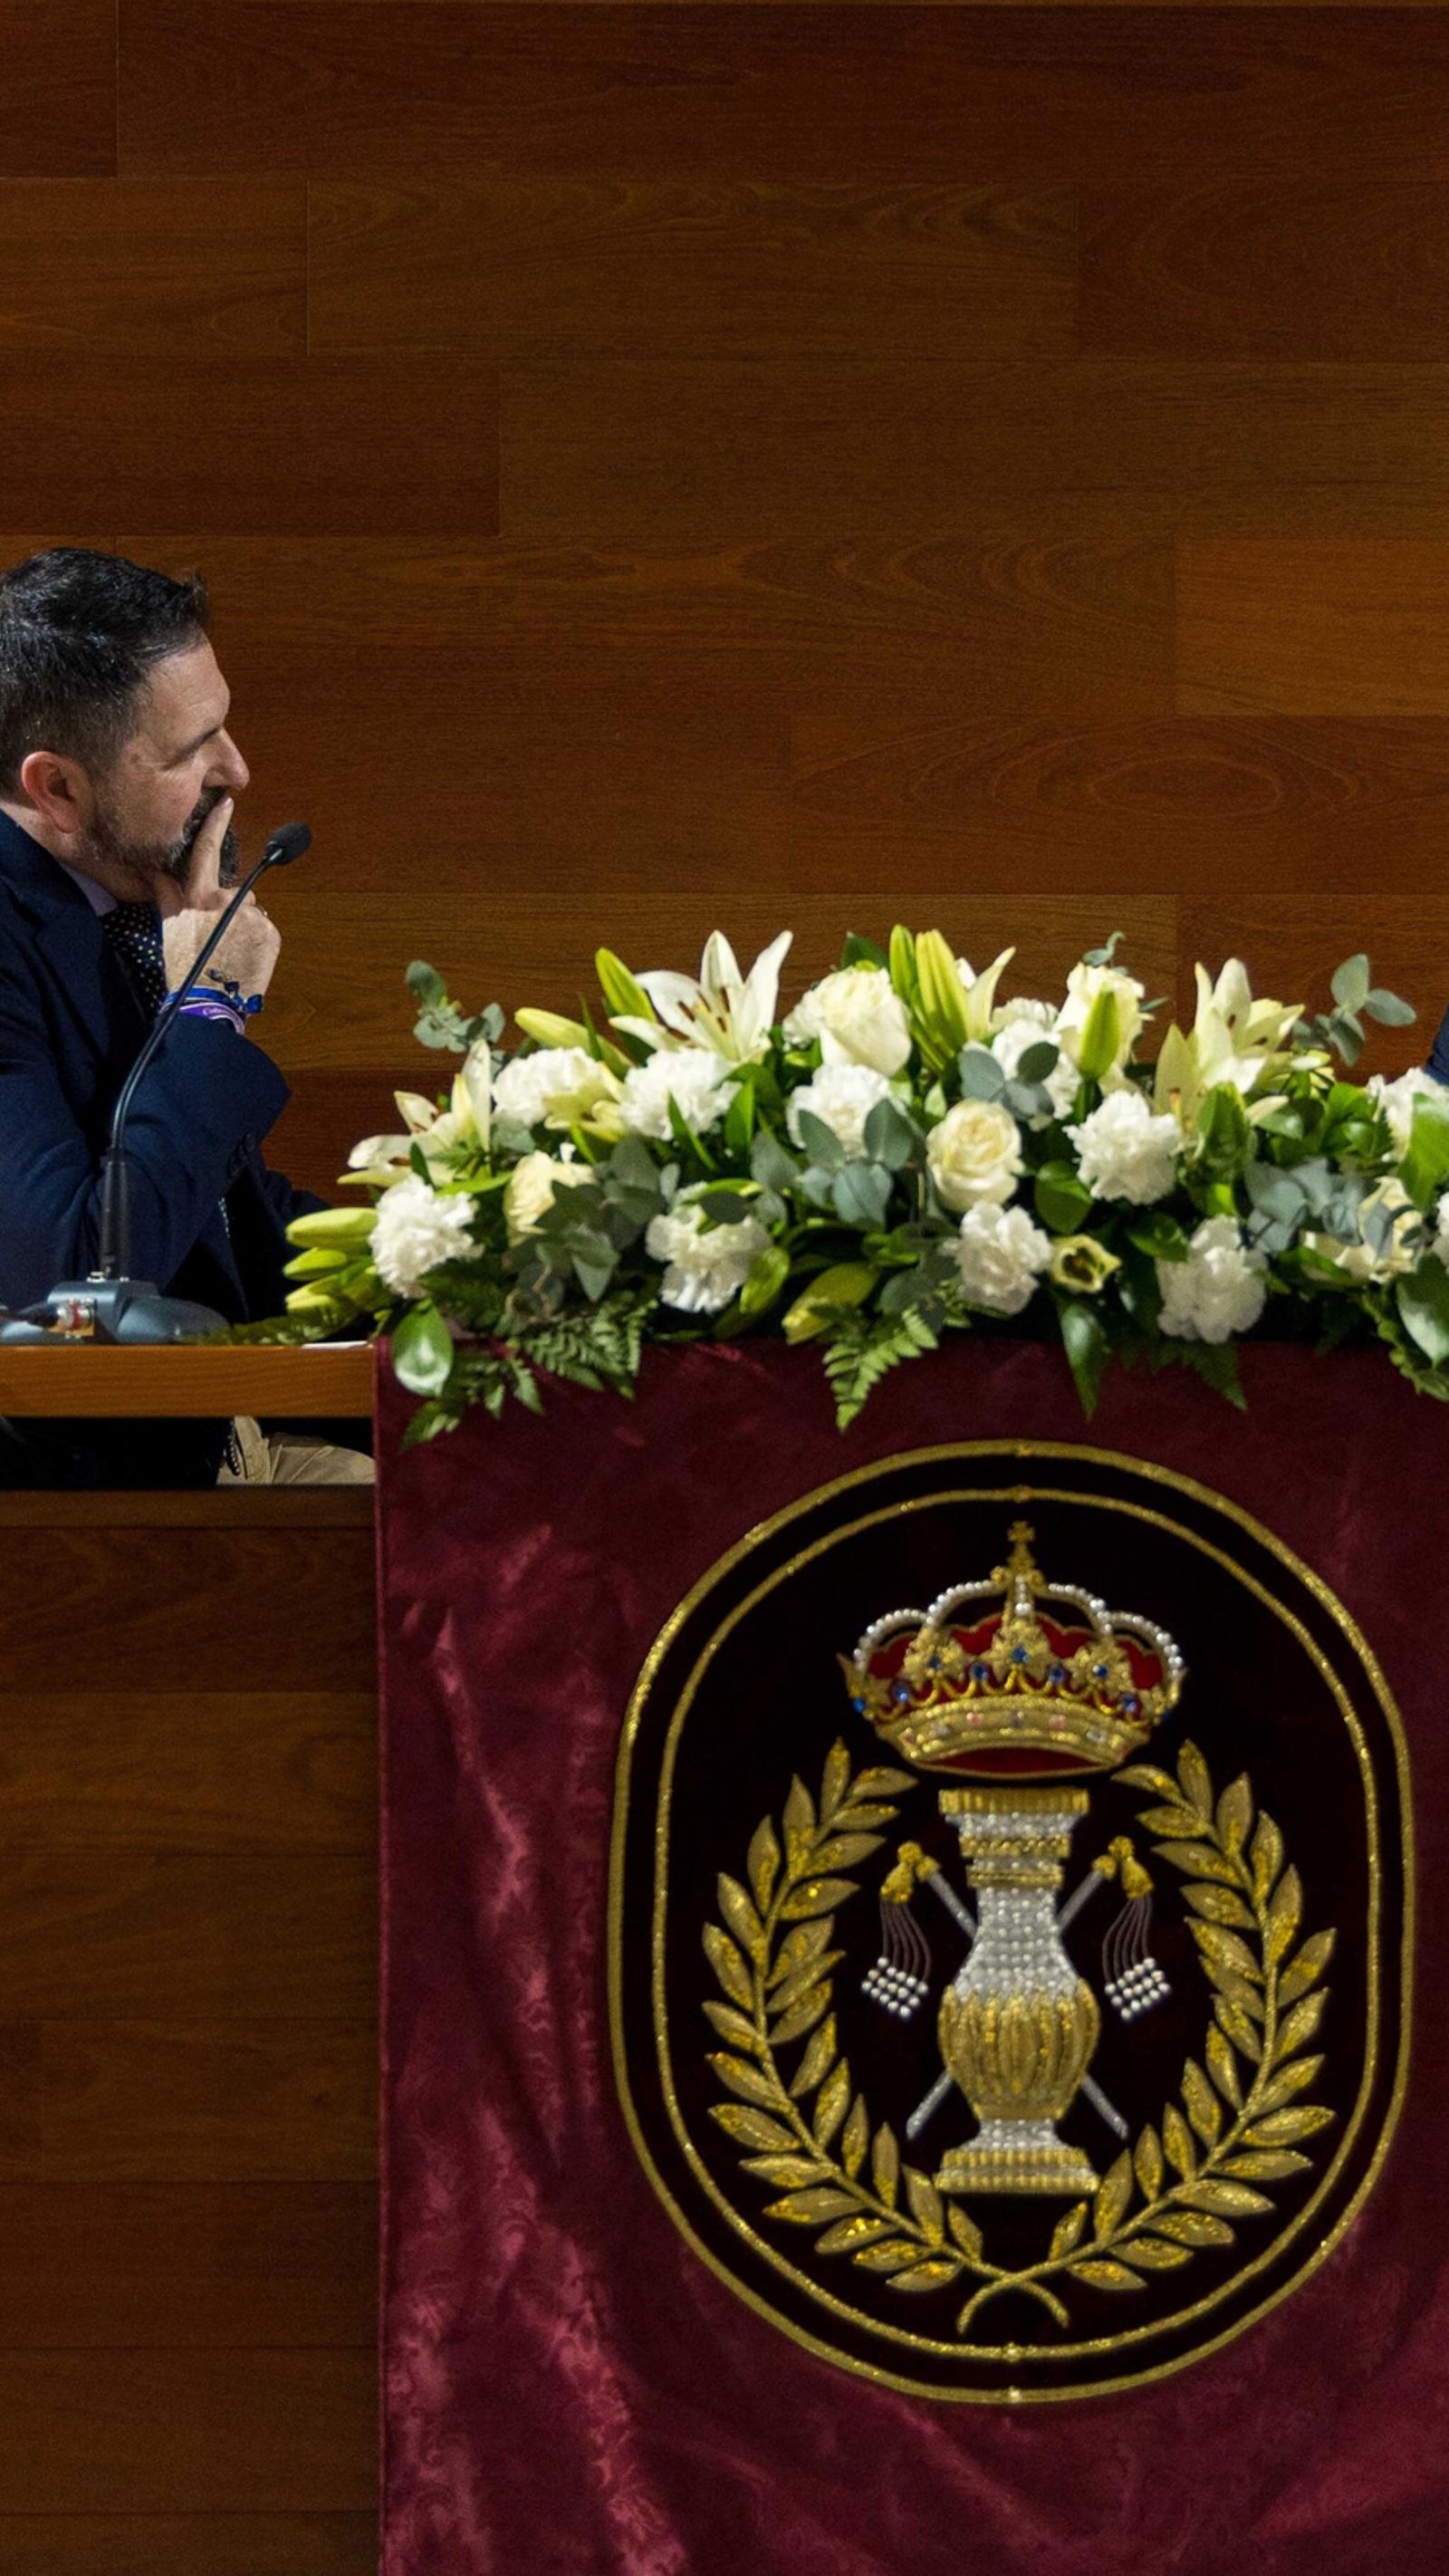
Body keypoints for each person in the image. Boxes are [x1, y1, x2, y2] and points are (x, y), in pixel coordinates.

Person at [0, 546, 368, 1488]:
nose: (235, 771)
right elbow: (82, 1287)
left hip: (233, 1424)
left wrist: (449, 1261)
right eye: (189, 750)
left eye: (226, 727)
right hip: (97, 1501)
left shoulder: (119, 902)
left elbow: (223, 1223)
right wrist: (210, 1008)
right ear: (58, 787)